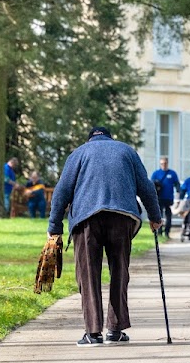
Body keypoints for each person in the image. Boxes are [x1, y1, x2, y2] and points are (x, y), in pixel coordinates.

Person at [49, 126, 163, 346]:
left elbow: (62, 191)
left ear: (89, 138)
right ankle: (115, 329)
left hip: (86, 218)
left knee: (88, 274)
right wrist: (155, 217)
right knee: (119, 270)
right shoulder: (127, 151)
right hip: (122, 216)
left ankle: (93, 333)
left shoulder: (79, 153)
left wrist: (54, 226)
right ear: (111, 137)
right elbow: (146, 187)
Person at [150, 156, 180, 238]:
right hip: (159, 198)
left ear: (167, 163)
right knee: (159, 216)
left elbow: (177, 184)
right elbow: (150, 184)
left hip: (168, 197)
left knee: (168, 216)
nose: (164, 165)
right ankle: (159, 232)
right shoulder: (156, 173)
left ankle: (167, 232)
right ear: (160, 164)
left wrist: (178, 192)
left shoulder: (172, 173)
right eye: (162, 163)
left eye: (165, 163)